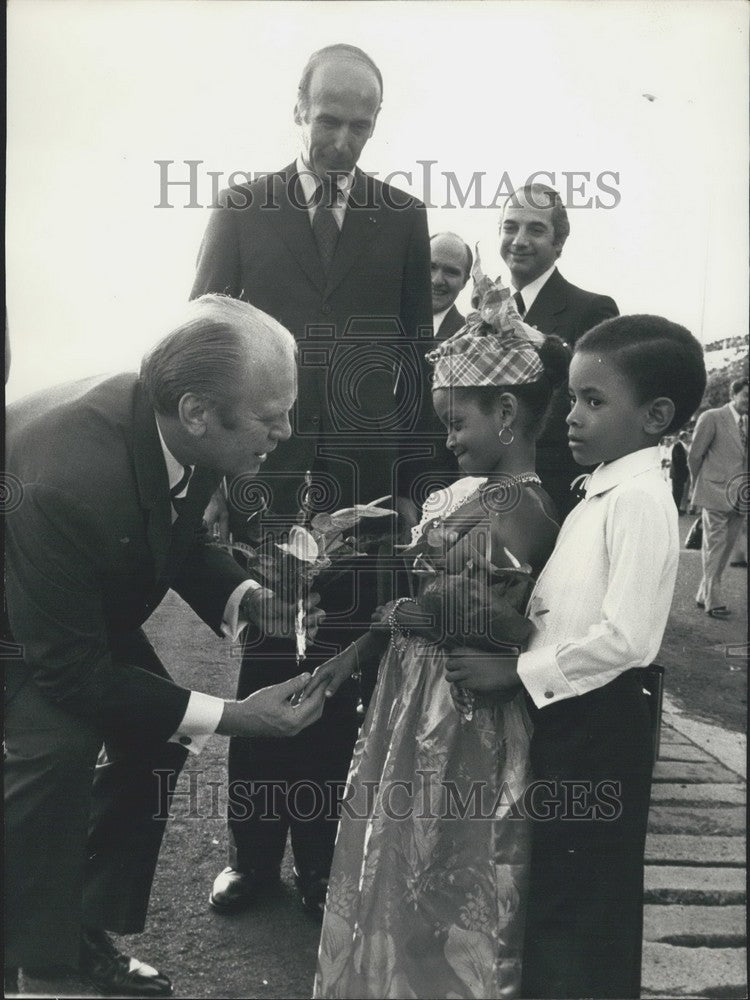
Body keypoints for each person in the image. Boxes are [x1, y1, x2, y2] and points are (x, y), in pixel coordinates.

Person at [3, 295, 328, 997]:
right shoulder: (70, 481)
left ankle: (81, 930)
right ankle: (40, 969)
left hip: (65, 606)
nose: (286, 431)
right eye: (272, 418)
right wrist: (239, 715)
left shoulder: (179, 421)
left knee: (157, 738)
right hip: (21, 627)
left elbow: (174, 530)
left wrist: (251, 602)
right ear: (198, 414)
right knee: (52, 751)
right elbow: (69, 672)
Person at [192, 42, 432, 918]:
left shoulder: (402, 217)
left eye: (360, 126)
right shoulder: (242, 207)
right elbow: (203, 334)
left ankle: (323, 866)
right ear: (298, 110)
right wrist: (208, 476)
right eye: (328, 120)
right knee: (264, 669)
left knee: (340, 679)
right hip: (263, 479)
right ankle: (252, 860)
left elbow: (415, 359)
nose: (342, 140)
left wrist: (411, 486)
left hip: (363, 490)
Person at [307, 280, 568, 999]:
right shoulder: (482, 494)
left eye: (457, 423)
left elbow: (499, 620)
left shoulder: (517, 503)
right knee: (405, 854)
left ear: (507, 412)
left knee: (441, 861)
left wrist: (411, 605)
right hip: (419, 700)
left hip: (457, 713)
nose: (448, 440)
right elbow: (438, 589)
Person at [451, 315, 706, 998]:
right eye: (571, 398)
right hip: (576, 713)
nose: (572, 415)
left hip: (603, 721)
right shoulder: (603, 488)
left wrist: (517, 670)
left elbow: (629, 638)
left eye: (594, 401)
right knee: (562, 882)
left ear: (655, 415)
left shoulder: (641, 501)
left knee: (584, 892)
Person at [499, 183, 619, 518]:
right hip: (486, 491)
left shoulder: (592, 309)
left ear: (559, 242)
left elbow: (598, 406)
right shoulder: (487, 310)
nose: (519, 240)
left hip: (554, 495)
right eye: (510, 227)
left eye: (535, 229)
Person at [688, 377, 748, 618]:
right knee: (715, 546)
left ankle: (704, 593)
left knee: (725, 549)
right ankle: (713, 599)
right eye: (746, 395)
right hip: (714, 492)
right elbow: (695, 455)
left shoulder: (747, 422)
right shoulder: (712, 417)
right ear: (733, 395)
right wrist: (697, 485)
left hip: (740, 496)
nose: (749, 401)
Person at [430, 232, 472, 340]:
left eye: (451, 272)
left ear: (465, 281)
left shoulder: (471, 339)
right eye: (431, 267)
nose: (436, 281)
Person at [669, 430, 690, 511]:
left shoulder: (680, 446)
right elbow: (679, 460)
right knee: (676, 493)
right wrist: (687, 464)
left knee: (679, 492)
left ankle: (677, 508)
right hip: (677, 474)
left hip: (679, 474)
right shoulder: (678, 446)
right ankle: (674, 509)